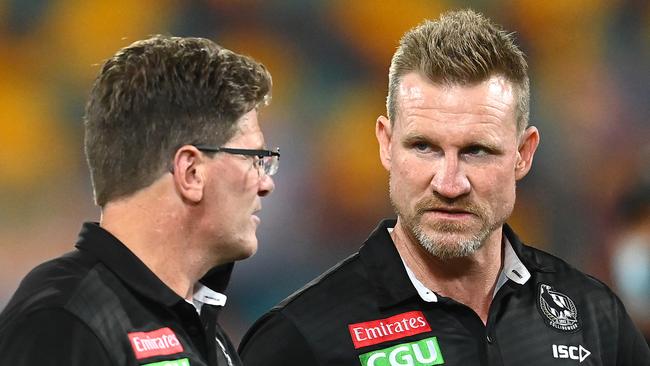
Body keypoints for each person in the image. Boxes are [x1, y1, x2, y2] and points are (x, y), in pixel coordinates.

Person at [238, 9, 649, 365]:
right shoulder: (301, 336)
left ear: (524, 153)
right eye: (424, 147)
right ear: (385, 144)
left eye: (477, 151)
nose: (449, 184)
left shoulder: (594, 316)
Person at [0, 35, 278, 366]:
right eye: (253, 158)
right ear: (190, 172)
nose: (266, 183)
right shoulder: (63, 322)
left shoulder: (200, 326)